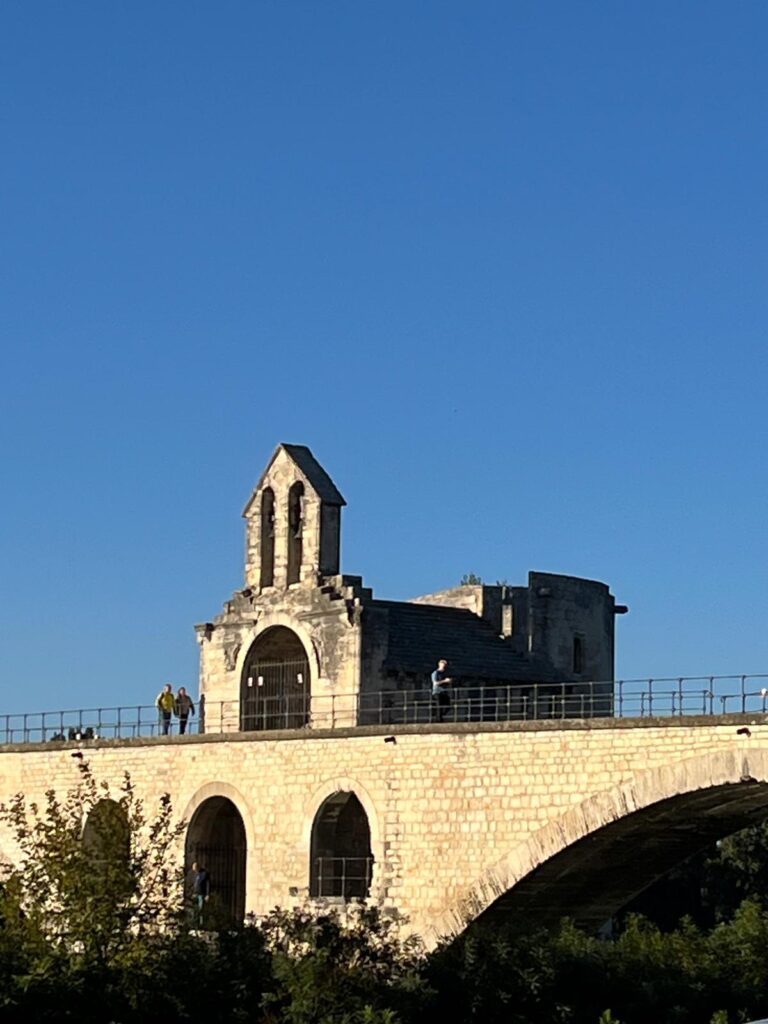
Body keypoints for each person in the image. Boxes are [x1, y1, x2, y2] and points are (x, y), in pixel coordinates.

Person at [188, 861, 210, 927]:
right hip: (195, 894)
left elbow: (207, 884)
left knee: (201, 909)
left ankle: (201, 924)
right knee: (193, 909)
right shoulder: (194, 874)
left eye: (195, 868)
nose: (194, 870)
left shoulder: (204, 873)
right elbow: (192, 884)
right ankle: (194, 923)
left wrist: (207, 894)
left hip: (201, 894)